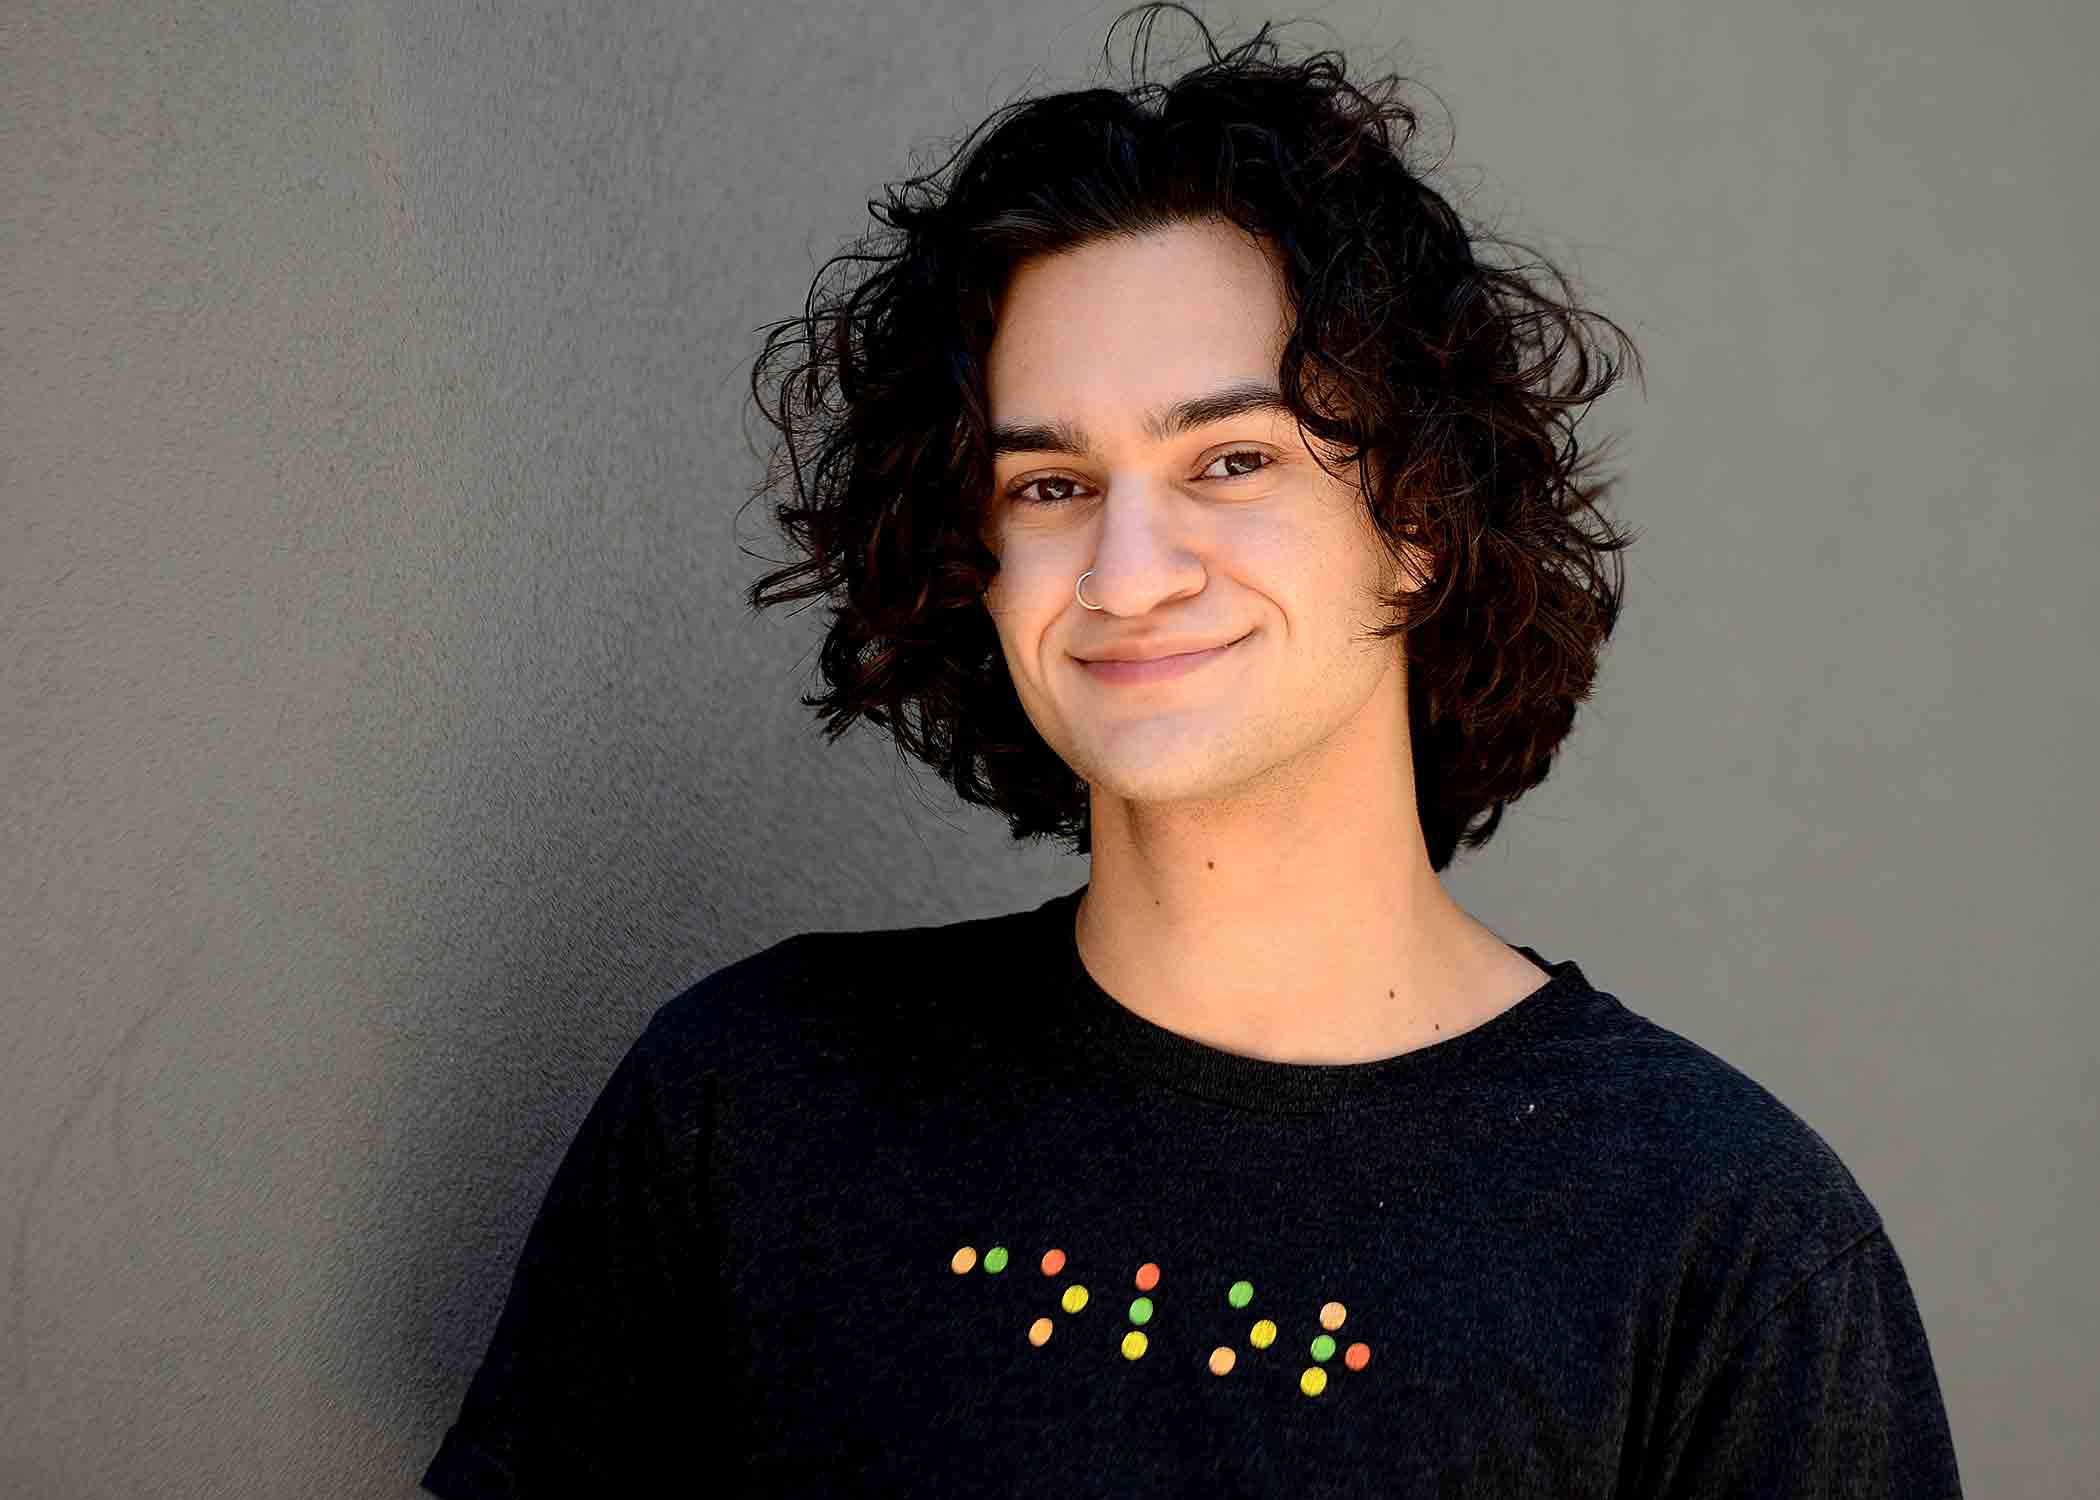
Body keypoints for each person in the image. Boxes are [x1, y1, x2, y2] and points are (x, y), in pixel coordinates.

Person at [420, 6, 1963, 1495]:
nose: (1127, 569)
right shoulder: (751, 1102)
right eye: (1050, 485)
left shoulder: (1720, 1233)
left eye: (1232, 459)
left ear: (1419, 524)